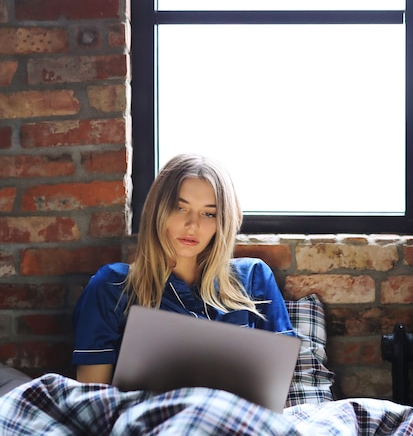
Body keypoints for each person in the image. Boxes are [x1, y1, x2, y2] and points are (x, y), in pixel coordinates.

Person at [72, 153, 294, 384]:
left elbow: (279, 386)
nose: (193, 225)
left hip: (235, 418)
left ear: (223, 221)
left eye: (209, 213)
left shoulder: (254, 278)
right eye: (180, 208)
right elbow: (94, 399)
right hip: (152, 418)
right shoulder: (111, 287)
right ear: (158, 210)